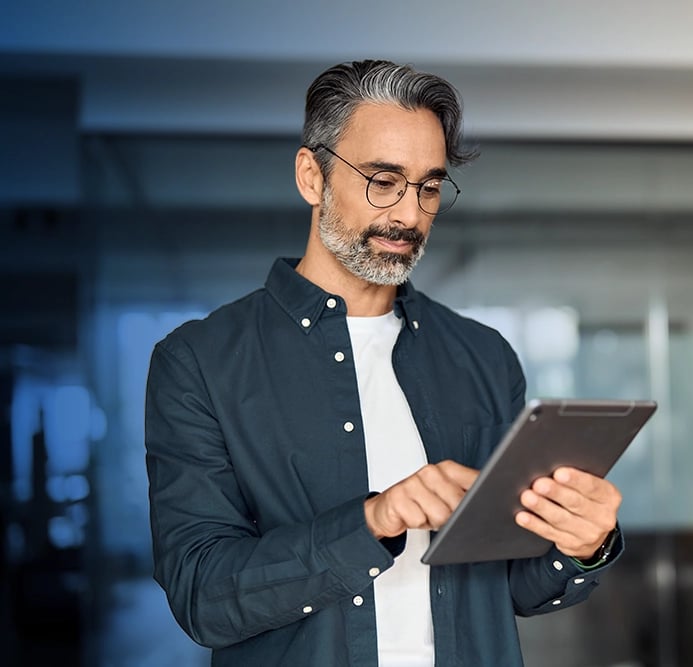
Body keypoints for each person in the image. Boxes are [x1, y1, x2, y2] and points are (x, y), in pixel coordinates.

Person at [145, 59, 623, 667]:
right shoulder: (200, 362)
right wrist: (373, 519)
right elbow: (203, 594)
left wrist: (581, 543)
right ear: (311, 176)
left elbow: (511, 585)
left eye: (428, 186)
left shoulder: (482, 357)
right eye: (382, 180)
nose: (407, 214)